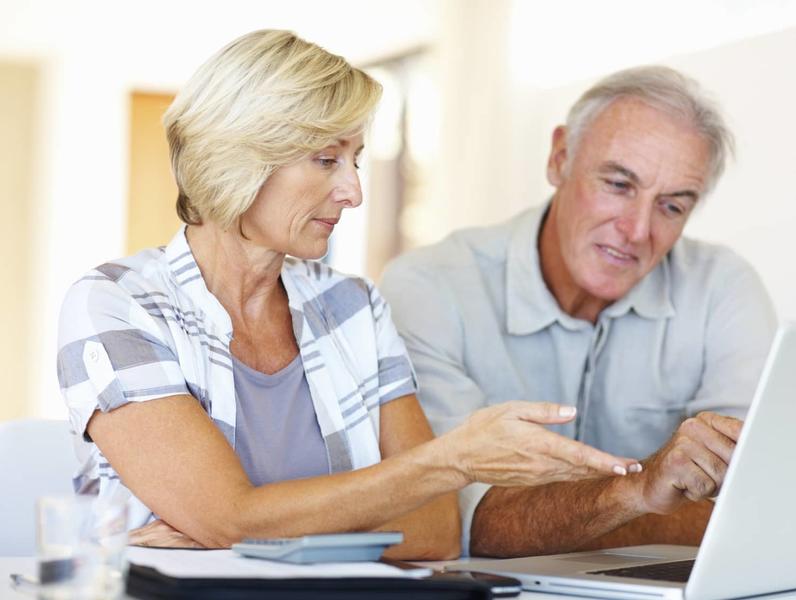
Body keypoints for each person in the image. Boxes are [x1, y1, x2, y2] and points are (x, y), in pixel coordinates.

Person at [55, 30, 641, 560]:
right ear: (239, 157)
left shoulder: (354, 307)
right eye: (326, 159)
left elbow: (435, 529)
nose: (354, 191)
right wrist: (446, 462)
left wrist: (243, 532)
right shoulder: (117, 305)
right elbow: (228, 515)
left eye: (355, 160)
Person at [380, 66, 778, 557]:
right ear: (560, 157)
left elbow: (758, 509)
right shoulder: (429, 288)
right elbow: (466, 522)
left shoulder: (723, 288)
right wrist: (642, 492)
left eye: (672, 207)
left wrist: (565, 515)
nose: (636, 231)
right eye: (618, 184)